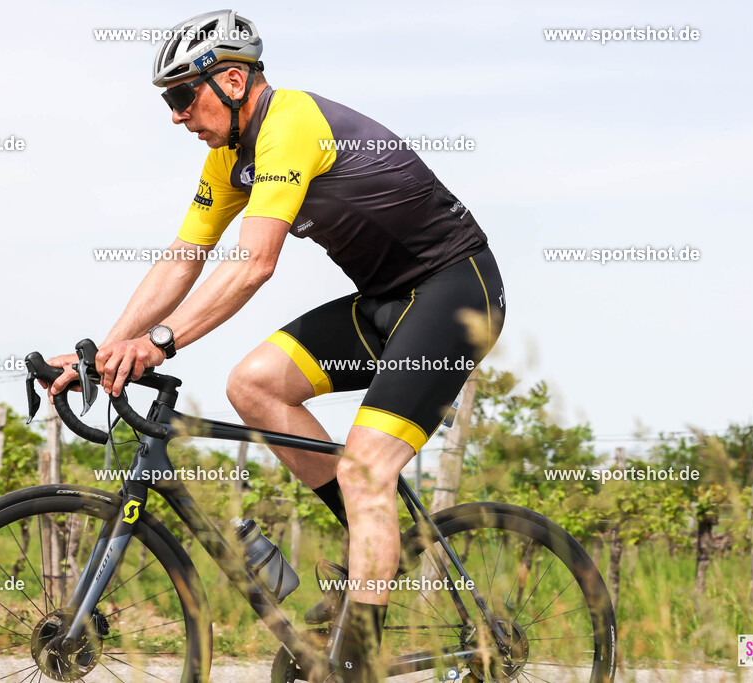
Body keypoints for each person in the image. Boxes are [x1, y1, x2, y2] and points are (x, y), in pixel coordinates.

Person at [47, 9, 505, 680]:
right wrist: (103, 348)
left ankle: (356, 659)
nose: (176, 115)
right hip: (385, 305)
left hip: (455, 295)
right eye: (169, 100)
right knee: (254, 383)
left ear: (233, 80)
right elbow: (183, 258)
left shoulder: (290, 124)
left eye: (182, 95)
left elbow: (255, 262)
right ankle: (369, 538)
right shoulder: (228, 155)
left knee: (364, 465)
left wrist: (162, 341)